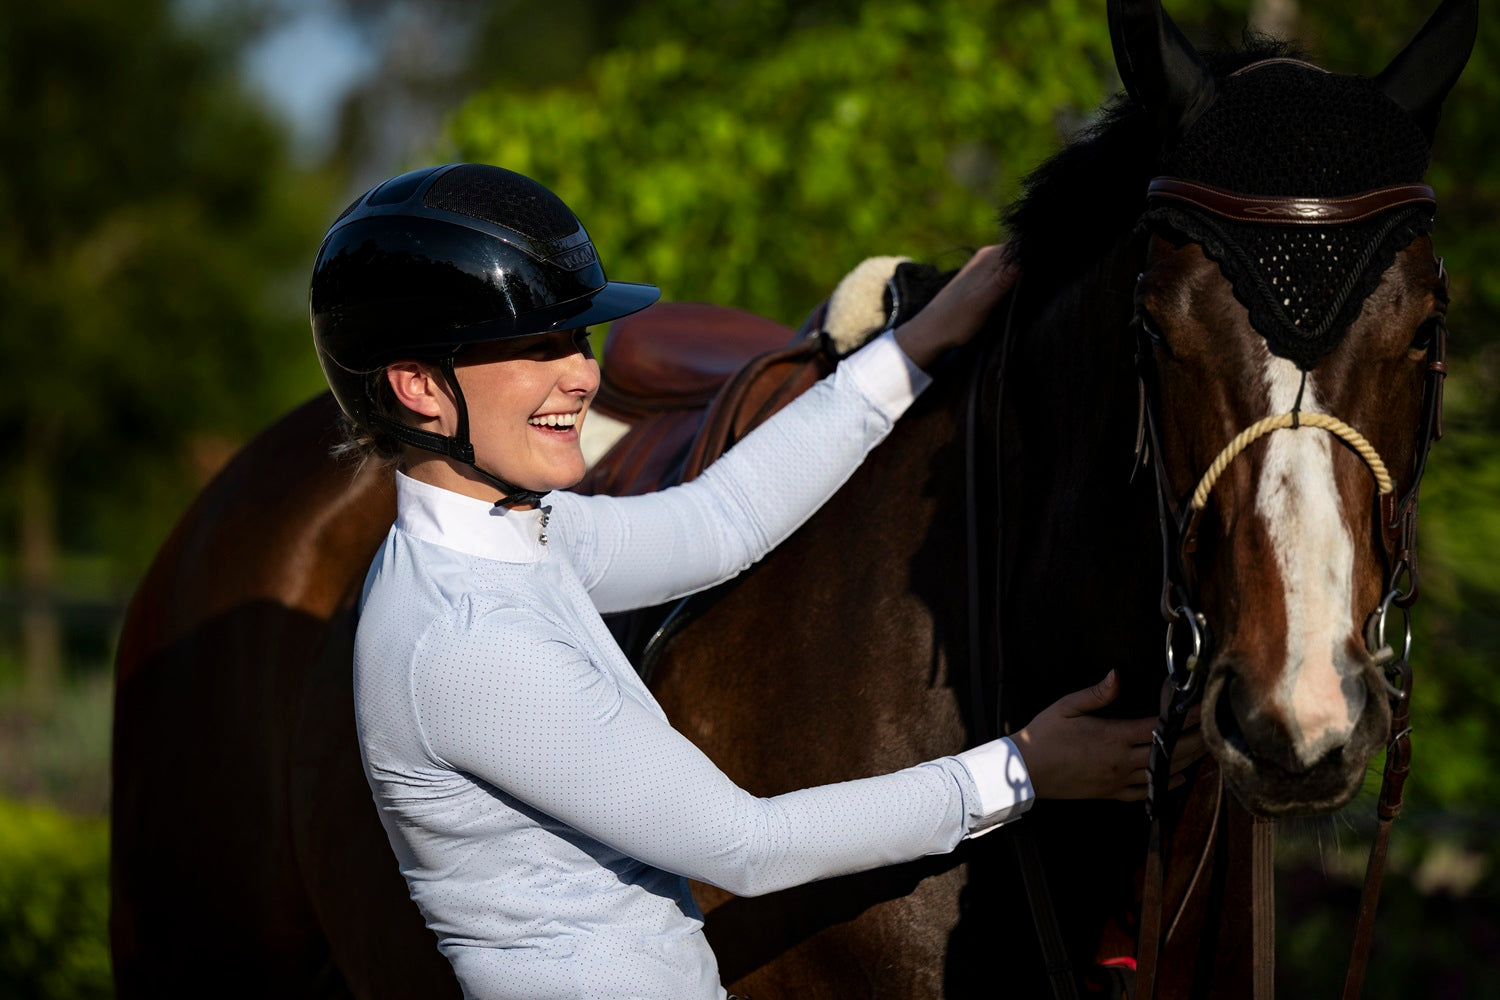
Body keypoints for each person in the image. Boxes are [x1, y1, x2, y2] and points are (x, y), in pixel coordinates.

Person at [310, 163, 1200, 1000]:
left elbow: (718, 522)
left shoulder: (506, 536)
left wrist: (918, 344)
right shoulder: (469, 643)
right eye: (536, 346)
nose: (583, 375)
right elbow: (744, 844)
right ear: (418, 387)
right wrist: (1023, 770)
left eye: (577, 338)